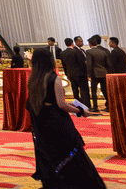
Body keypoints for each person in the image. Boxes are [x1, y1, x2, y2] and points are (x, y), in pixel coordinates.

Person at [27, 46, 105, 188]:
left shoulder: (33, 80)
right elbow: (61, 104)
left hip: (42, 127)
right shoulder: (54, 78)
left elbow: (47, 102)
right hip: (58, 125)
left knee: (53, 158)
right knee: (71, 156)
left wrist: (75, 107)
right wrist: (80, 111)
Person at [61, 38, 88, 107]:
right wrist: (86, 72)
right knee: (83, 90)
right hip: (80, 74)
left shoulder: (62, 53)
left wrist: (67, 74)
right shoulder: (76, 51)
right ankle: (85, 105)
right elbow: (81, 63)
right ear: (72, 43)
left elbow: (64, 65)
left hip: (70, 74)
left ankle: (77, 105)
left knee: (75, 90)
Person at [86, 35, 110, 112]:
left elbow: (89, 64)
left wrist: (88, 75)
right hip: (103, 73)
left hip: (94, 74)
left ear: (90, 44)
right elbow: (108, 64)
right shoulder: (103, 52)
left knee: (93, 91)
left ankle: (95, 107)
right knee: (105, 90)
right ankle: (109, 106)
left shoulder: (89, 52)